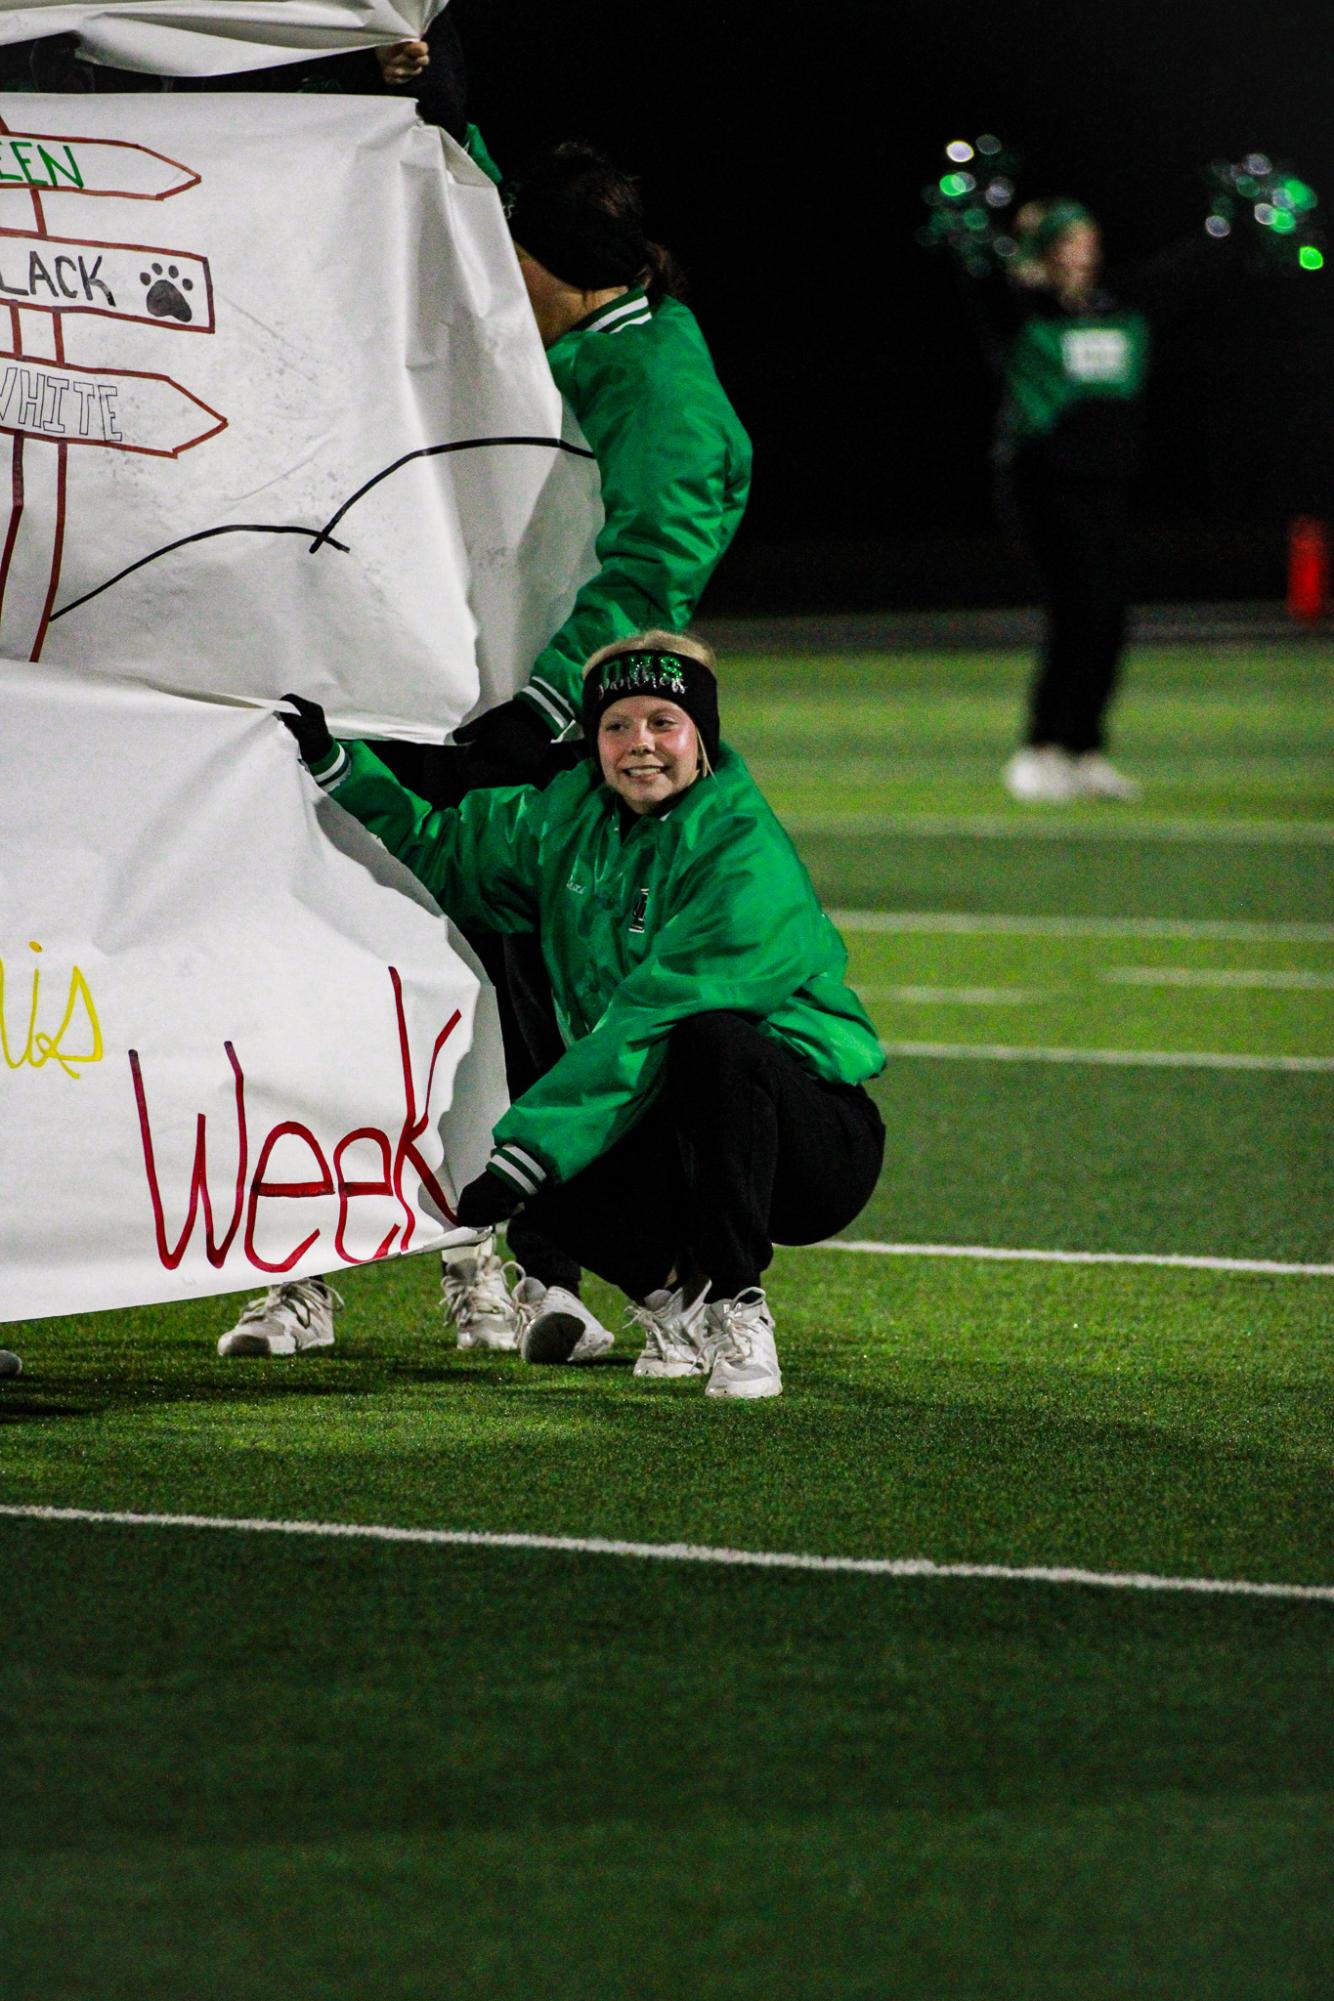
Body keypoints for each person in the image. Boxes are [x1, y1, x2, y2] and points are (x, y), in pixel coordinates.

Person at [224, 632, 885, 1398]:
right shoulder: (565, 818)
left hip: (808, 1148)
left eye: (662, 723)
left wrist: (530, 1146)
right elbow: (443, 848)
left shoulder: (741, 847)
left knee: (710, 1043)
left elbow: (651, 1018)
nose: (640, 744)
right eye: (616, 725)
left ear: (701, 737)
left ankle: (740, 1302)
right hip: (671, 1116)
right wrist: (340, 764)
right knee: (535, 1177)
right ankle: (683, 1301)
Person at [960, 199, 1233, 804]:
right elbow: (979, 270)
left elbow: (1183, 270)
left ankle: (1084, 750)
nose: (1086, 249)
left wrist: (1230, 223)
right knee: (1078, 609)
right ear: (1051, 249)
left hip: (1105, 486)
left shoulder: (1121, 301)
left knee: (1110, 617)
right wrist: (989, 229)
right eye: (1072, 239)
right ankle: (1039, 749)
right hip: (1042, 485)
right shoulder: (1025, 308)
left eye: (1090, 237)